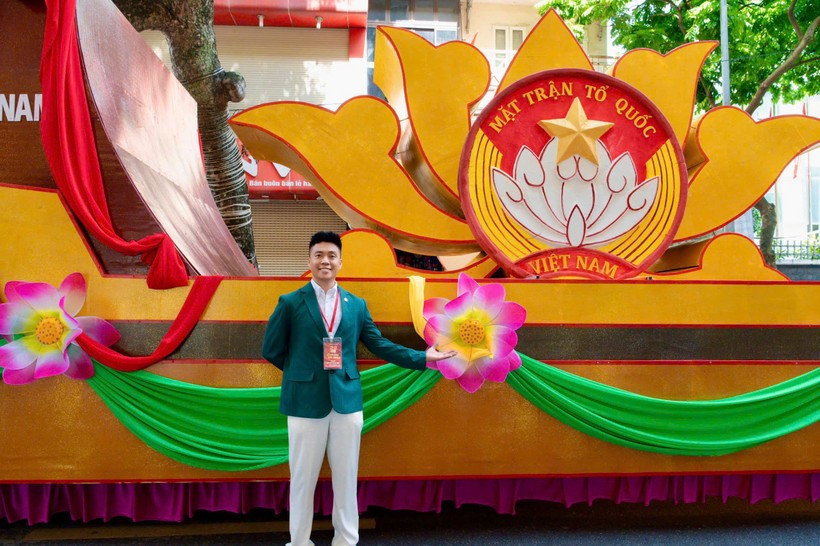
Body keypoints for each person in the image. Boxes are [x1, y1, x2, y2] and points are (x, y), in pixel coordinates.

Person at [262, 231, 455, 546]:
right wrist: (302, 375)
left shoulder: (356, 305)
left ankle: (346, 540)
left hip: (347, 403)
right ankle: (299, 541)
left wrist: (423, 357)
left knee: (346, 477)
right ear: (309, 260)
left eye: (331, 256)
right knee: (301, 479)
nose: (325, 261)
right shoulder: (290, 302)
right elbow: (271, 349)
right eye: (319, 254)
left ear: (340, 261)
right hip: (304, 403)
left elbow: (378, 344)